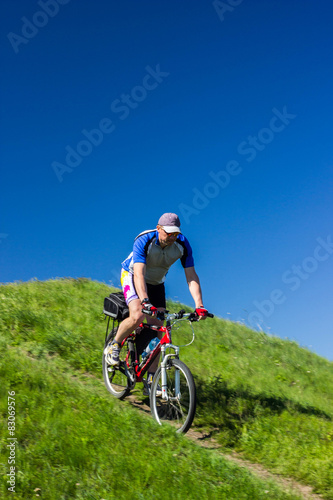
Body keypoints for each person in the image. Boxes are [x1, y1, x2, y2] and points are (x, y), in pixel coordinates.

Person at [104, 213, 208, 392]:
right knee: (137, 314)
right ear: (158, 228)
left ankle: (151, 381)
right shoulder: (144, 240)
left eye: (175, 233)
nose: (172, 237)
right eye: (168, 233)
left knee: (159, 329)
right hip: (132, 276)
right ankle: (115, 345)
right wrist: (144, 301)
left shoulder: (182, 244)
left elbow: (191, 276)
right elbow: (139, 274)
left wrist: (199, 305)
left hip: (157, 283)